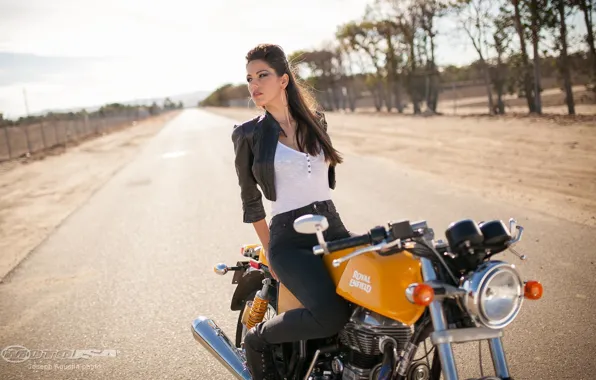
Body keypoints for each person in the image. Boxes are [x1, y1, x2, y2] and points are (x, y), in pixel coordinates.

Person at [231, 43, 352, 380]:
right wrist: (270, 251)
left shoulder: (316, 121)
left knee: (373, 295)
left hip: (333, 228)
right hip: (289, 241)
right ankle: (259, 340)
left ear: (284, 80)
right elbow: (251, 201)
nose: (254, 85)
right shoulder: (248, 134)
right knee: (331, 316)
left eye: (262, 75)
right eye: (249, 78)